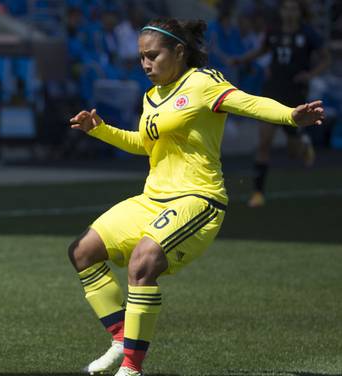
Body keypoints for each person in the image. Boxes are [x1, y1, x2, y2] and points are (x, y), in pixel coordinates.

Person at [68, 18, 324, 376]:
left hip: (198, 199)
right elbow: (145, 144)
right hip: (152, 198)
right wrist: (100, 130)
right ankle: (121, 339)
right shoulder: (151, 96)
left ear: (179, 51)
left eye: (152, 55)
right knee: (82, 252)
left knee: (144, 262)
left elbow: (247, 103)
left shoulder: (203, 83)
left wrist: (289, 116)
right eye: (141, 57)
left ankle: (131, 368)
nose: (145, 64)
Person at [231, 0, 330, 207]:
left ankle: (303, 146)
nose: (289, 12)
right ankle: (258, 193)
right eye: (286, 8)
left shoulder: (308, 33)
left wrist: (310, 75)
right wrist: (242, 60)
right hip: (273, 90)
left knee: (292, 151)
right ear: (282, 11)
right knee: (264, 141)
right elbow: (261, 51)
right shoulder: (273, 31)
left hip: (295, 94)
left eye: (293, 8)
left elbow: (326, 59)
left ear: (299, 12)